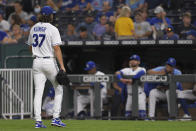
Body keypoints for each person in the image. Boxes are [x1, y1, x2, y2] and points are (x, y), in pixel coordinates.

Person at [27, 6, 66, 128]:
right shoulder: (53, 28)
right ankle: (56, 118)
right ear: (50, 16)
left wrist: (35, 54)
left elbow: (30, 46)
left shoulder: (34, 28)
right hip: (49, 61)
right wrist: (62, 66)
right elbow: (57, 48)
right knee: (59, 89)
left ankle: (38, 121)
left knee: (38, 92)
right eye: (52, 14)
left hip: (37, 61)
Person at [115, 54, 146, 119]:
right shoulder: (127, 70)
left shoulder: (142, 69)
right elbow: (117, 72)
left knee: (141, 116)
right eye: (131, 60)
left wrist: (132, 79)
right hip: (130, 96)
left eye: (135, 60)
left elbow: (141, 73)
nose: (133, 61)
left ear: (139, 62)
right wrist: (120, 78)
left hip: (139, 95)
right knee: (128, 116)